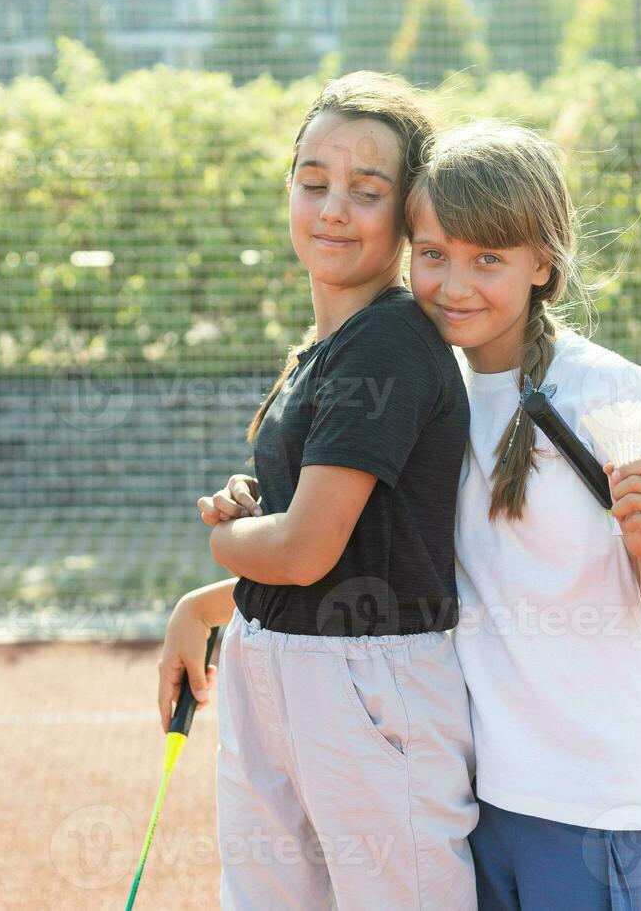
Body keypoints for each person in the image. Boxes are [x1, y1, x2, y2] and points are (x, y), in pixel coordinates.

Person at [155, 72, 478, 911]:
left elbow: (304, 550)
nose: (332, 207)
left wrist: (226, 541)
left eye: (365, 192)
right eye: (313, 182)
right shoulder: (325, 348)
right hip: (284, 664)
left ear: (407, 214)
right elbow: (326, 545)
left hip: (364, 688)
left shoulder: (389, 345)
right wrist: (210, 602)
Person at [405, 119, 641, 910]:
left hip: (588, 794)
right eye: (433, 254)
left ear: (544, 263)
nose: (455, 284)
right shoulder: (429, 390)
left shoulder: (610, 389)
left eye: (488, 259)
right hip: (473, 788)